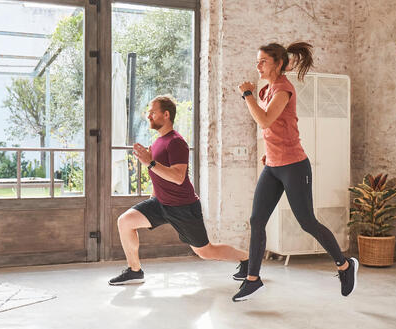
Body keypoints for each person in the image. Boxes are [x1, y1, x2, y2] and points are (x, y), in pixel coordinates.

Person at [232, 42, 358, 301]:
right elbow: (274, 128)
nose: (258, 66)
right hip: (273, 166)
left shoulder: (283, 89)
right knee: (257, 220)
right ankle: (253, 280)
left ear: (278, 64)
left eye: (263, 61)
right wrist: (271, 152)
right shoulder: (267, 89)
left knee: (306, 221)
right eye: (257, 61)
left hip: (294, 166)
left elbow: (265, 120)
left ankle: (345, 265)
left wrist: (247, 95)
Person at [109, 95, 249, 285]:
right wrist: (153, 194)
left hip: (184, 207)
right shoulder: (158, 141)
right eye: (148, 113)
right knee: (125, 222)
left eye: (152, 112)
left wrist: (150, 162)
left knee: (205, 251)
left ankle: (247, 259)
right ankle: (135, 270)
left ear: (166, 115)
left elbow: (178, 176)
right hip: (161, 203)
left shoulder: (176, 142)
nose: (148, 116)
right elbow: (159, 174)